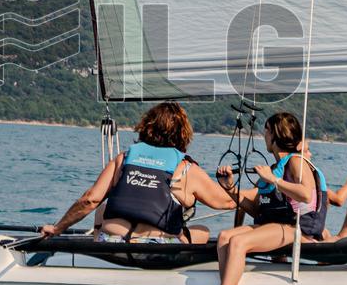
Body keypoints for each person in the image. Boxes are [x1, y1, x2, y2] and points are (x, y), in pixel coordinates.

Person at [189, 112, 326, 285]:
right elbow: (258, 211)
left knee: (238, 242)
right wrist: (230, 188)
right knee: (225, 237)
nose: (264, 136)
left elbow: (306, 194)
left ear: (275, 134)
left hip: (296, 228)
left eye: (266, 131)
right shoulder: (275, 167)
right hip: (274, 225)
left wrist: (274, 180)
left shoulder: (296, 161)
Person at [40, 101, 236, 244]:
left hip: (111, 243)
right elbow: (227, 203)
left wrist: (57, 228)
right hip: (155, 248)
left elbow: (90, 200)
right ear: (183, 134)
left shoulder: (123, 159)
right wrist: (229, 185)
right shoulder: (186, 169)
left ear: (147, 127)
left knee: (101, 209)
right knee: (203, 231)